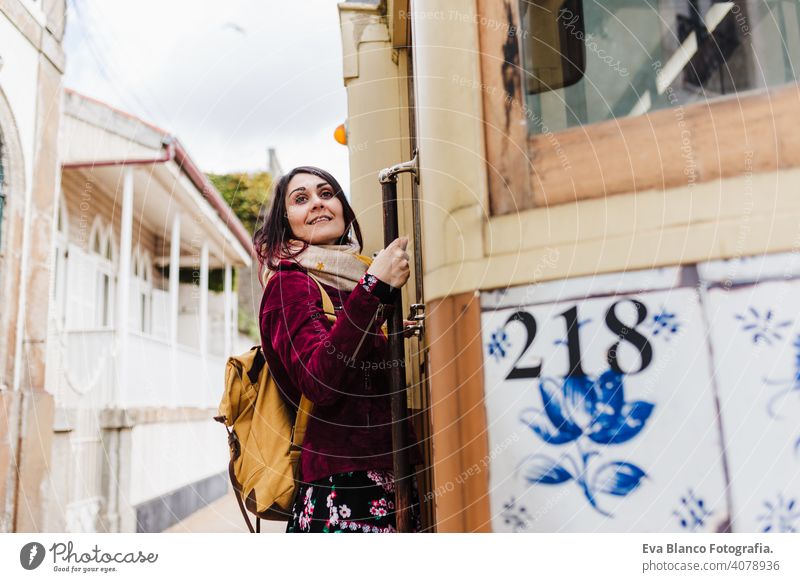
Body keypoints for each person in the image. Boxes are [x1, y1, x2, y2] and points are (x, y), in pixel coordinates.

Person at [253, 166, 422, 533]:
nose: (317, 203)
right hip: (343, 491)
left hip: (389, 478)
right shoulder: (289, 283)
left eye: (326, 193)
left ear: (343, 208)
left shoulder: (348, 279)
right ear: (286, 222)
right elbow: (318, 379)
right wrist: (374, 287)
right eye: (301, 199)